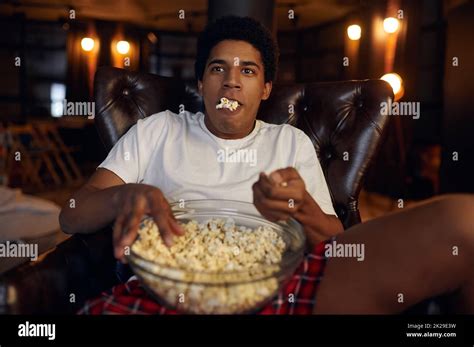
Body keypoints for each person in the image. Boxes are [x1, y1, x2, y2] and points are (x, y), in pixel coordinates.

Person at [60, 16, 474, 314]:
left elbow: (338, 241)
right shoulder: (158, 131)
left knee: (463, 221)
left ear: (265, 88)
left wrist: (300, 210)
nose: (231, 81)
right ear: (201, 83)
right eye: (218, 68)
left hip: (280, 287)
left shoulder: (289, 142)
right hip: (169, 290)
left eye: (248, 71)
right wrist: (125, 195)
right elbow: (71, 214)